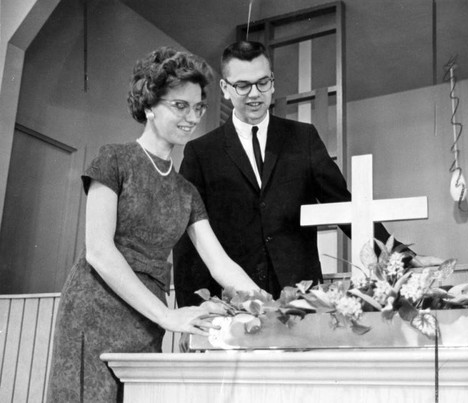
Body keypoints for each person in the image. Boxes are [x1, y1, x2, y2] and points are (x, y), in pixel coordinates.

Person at [47, 46, 259, 403]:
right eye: (180, 106)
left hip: (146, 320)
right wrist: (167, 316)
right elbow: (99, 251)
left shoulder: (187, 191)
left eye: (198, 107)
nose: (192, 117)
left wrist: (269, 303)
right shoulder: (114, 159)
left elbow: (220, 263)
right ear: (148, 105)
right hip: (95, 310)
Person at [173, 40, 440, 307]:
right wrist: (190, 308)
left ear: (273, 83)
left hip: (302, 296)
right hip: (234, 301)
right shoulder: (202, 153)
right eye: (242, 85)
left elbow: (347, 207)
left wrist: (403, 257)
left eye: (262, 82)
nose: (254, 94)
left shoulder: (303, 139)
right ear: (225, 88)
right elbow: (188, 239)